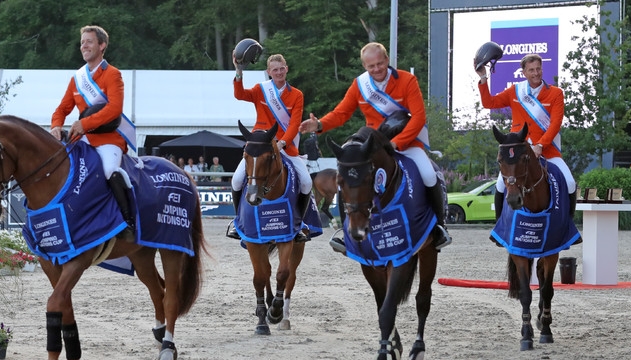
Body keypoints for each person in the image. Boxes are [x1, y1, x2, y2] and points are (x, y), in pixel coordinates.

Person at [300, 42, 451, 249]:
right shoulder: (359, 84)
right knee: (350, 176)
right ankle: (345, 232)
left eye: (380, 64)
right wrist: (319, 124)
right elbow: (341, 113)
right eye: (371, 66)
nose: (377, 69)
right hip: (372, 144)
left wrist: (396, 144)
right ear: (364, 66)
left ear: (387, 60)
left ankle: (439, 227)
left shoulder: (407, 80)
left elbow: (418, 117)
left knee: (429, 174)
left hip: (405, 142)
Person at [49, 25, 135, 233]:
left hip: (109, 139)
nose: (84, 46)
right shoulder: (77, 79)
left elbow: (115, 109)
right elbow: (62, 108)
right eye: (82, 42)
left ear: (102, 45)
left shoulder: (113, 75)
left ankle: (127, 221)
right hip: (83, 140)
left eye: (89, 41)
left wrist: (83, 124)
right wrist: (56, 126)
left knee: (108, 171)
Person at [475, 53, 576, 220]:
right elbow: (489, 103)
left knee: (570, 183)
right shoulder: (516, 91)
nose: (536, 73)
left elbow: (555, 124)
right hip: (519, 152)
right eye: (531, 70)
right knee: (501, 185)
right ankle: (500, 227)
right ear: (524, 72)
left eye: (538, 69)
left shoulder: (556, 93)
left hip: (547, 151)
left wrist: (540, 145)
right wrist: (484, 78)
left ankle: (568, 225)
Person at [228, 52, 313, 241]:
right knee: (236, 179)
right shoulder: (261, 89)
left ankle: (298, 225)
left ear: (287, 69)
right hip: (260, 144)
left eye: (282, 68)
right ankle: (237, 221)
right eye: (275, 69)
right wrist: (239, 70)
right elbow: (240, 94)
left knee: (307, 182)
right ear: (269, 72)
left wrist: (282, 143)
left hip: (285, 144)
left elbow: (294, 124)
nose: (279, 72)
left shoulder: (296, 95)